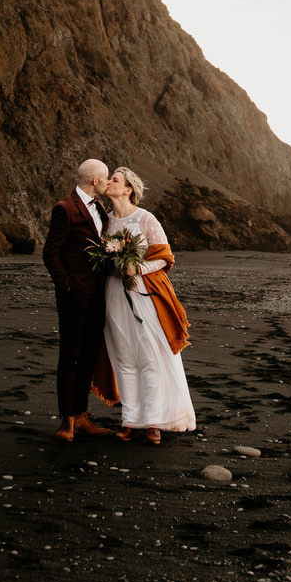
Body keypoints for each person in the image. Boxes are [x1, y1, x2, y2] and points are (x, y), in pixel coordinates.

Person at [92, 167, 195, 443]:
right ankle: (130, 421)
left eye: (115, 179)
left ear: (128, 189)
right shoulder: (105, 221)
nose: (109, 182)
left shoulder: (145, 218)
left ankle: (154, 422)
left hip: (143, 291)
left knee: (149, 355)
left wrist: (136, 268)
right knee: (123, 356)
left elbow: (165, 257)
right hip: (113, 292)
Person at [41, 158, 117, 441]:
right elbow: (51, 253)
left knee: (89, 352)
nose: (109, 183)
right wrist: (67, 286)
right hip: (74, 295)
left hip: (98, 293)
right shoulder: (65, 209)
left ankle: (82, 414)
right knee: (70, 354)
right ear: (95, 181)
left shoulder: (99, 207)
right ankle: (66, 419)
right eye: (106, 178)